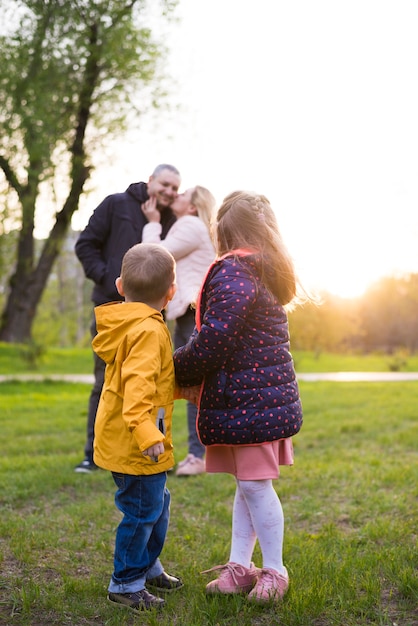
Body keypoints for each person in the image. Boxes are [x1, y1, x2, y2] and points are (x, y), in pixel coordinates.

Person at [173, 191, 304, 604]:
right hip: (252, 402)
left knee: (256, 487)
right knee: (247, 487)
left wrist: (175, 367)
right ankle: (240, 567)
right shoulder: (260, 270)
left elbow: (213, 339)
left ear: (225, 233)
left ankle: (275, 571)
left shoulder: (234, 271)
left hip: (251, 403)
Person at [92, 242, 183, 612]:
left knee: (156, 505)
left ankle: (147, 565)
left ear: (119, 286)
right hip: (137, 442)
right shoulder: (146, 330)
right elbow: (138, 390)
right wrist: (147, 434)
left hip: (129, 437)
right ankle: (126, 582)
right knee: (143, 511)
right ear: (171, 292)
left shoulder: (132, 324)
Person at [74, 164, 181, 472]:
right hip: (113, 310)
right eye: (165, 184)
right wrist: (111, 280)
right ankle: (93, 453)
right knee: (107, 382)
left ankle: (154, 449)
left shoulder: (170, 218)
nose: (169, 192)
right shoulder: (116, 203)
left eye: (175, 188)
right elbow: (85, 245)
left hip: (152, 314)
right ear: (151, 181)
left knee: (150, 381)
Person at [141, 185, 216, 476]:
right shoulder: (196, 226)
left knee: (188, 385)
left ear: (193, 206)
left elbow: (154, 255)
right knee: (194, 385)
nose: (177, 196)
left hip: (190, 311)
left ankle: (198, 457)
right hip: (192, 310)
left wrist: (153, 223)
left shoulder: (190, 224)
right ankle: (202, 454)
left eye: (183, 194)